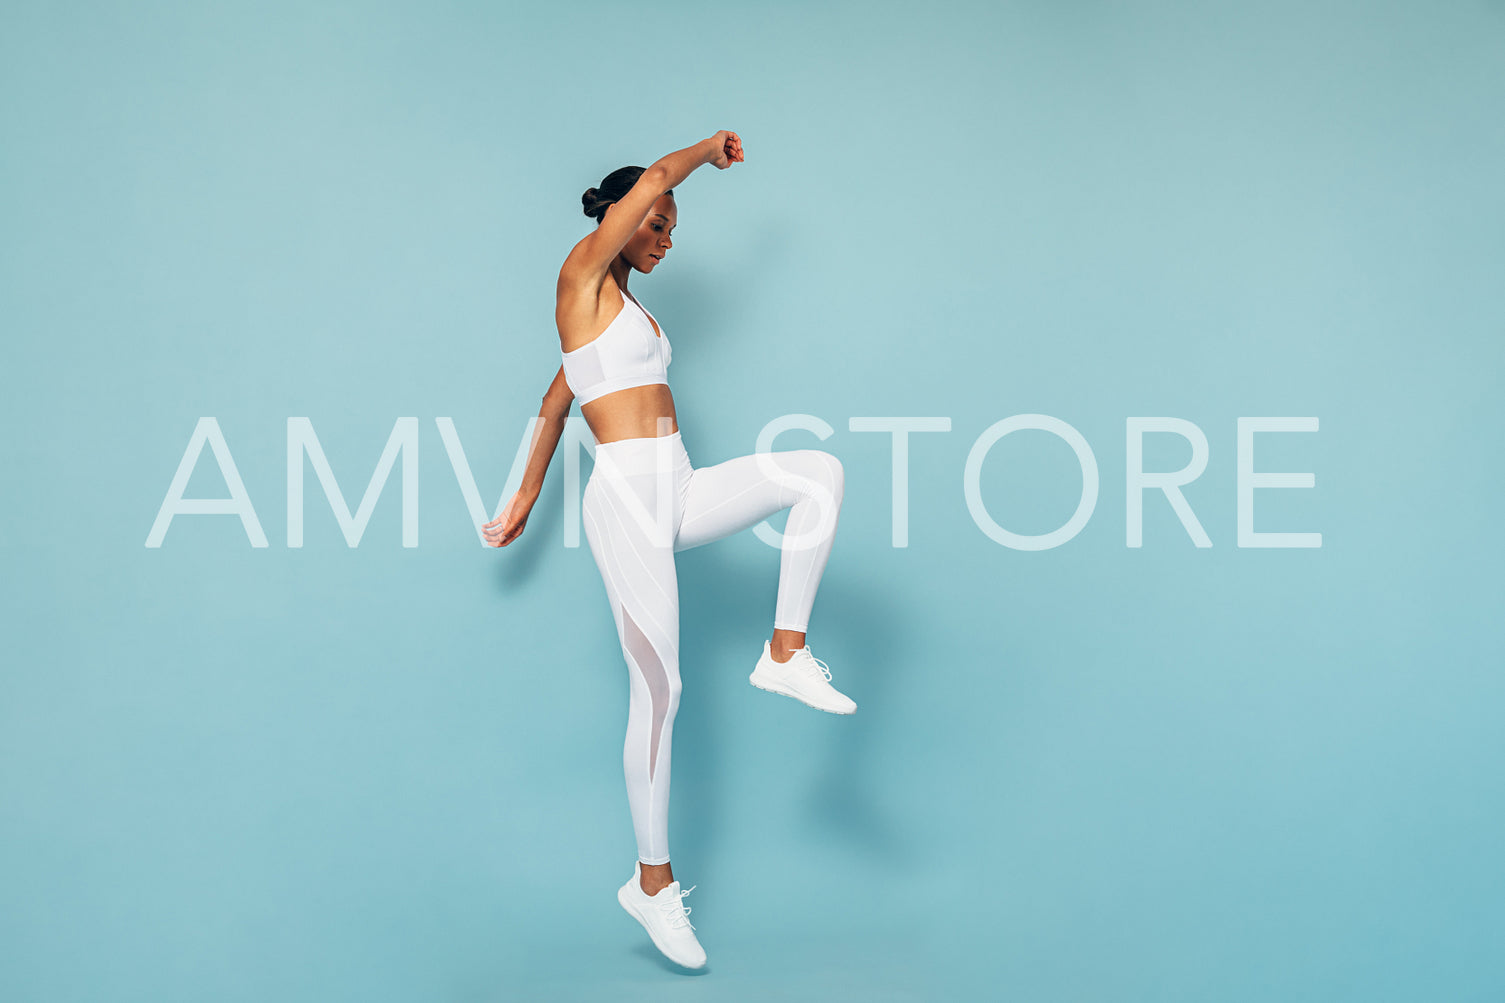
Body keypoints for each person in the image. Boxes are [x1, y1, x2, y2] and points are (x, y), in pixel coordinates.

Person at [482, 131, 854, 971]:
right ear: (624, 216)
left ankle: (784, 650)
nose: (668, 235)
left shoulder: (631, 313)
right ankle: (652, 884)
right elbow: (650, 179)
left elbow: (555, 401)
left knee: (818, 472)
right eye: (658, 221)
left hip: (677, 486)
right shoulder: (579, 275)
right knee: (662, 691)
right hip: (624, 498)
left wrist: (525, 489)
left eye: (672, 224)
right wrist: (706, 148)